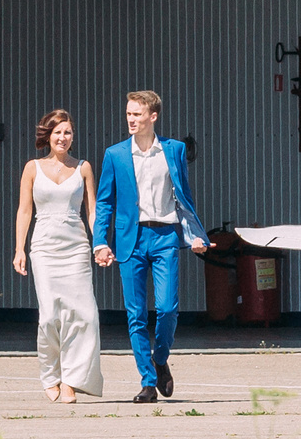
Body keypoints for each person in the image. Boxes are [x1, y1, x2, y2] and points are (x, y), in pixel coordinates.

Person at [92, 89, 205, 404]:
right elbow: (104, 202)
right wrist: (100, 241)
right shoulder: (115, 155)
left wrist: (194, 235)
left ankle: (160, 357)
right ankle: (146, 380)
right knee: (135, 313)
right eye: (128, 113)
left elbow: (183, 197)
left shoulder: (174, 150)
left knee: (168, 307)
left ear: (153, 116)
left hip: (166, 236)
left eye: (137, 114)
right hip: (131, 238)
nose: (131, 119)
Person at [14, 109, 104, 403]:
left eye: (67, 132)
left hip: (76, 247)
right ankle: (50, 376)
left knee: (86, 316)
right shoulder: (32, 168)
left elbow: (92, 212)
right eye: (57, 132)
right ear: (48, 136)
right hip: (43, 247)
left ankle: (72, 381)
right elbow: (25, 210)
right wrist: (20, 250)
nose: (63, 137)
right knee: (50, 316)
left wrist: (100, 244)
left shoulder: (84, 168)